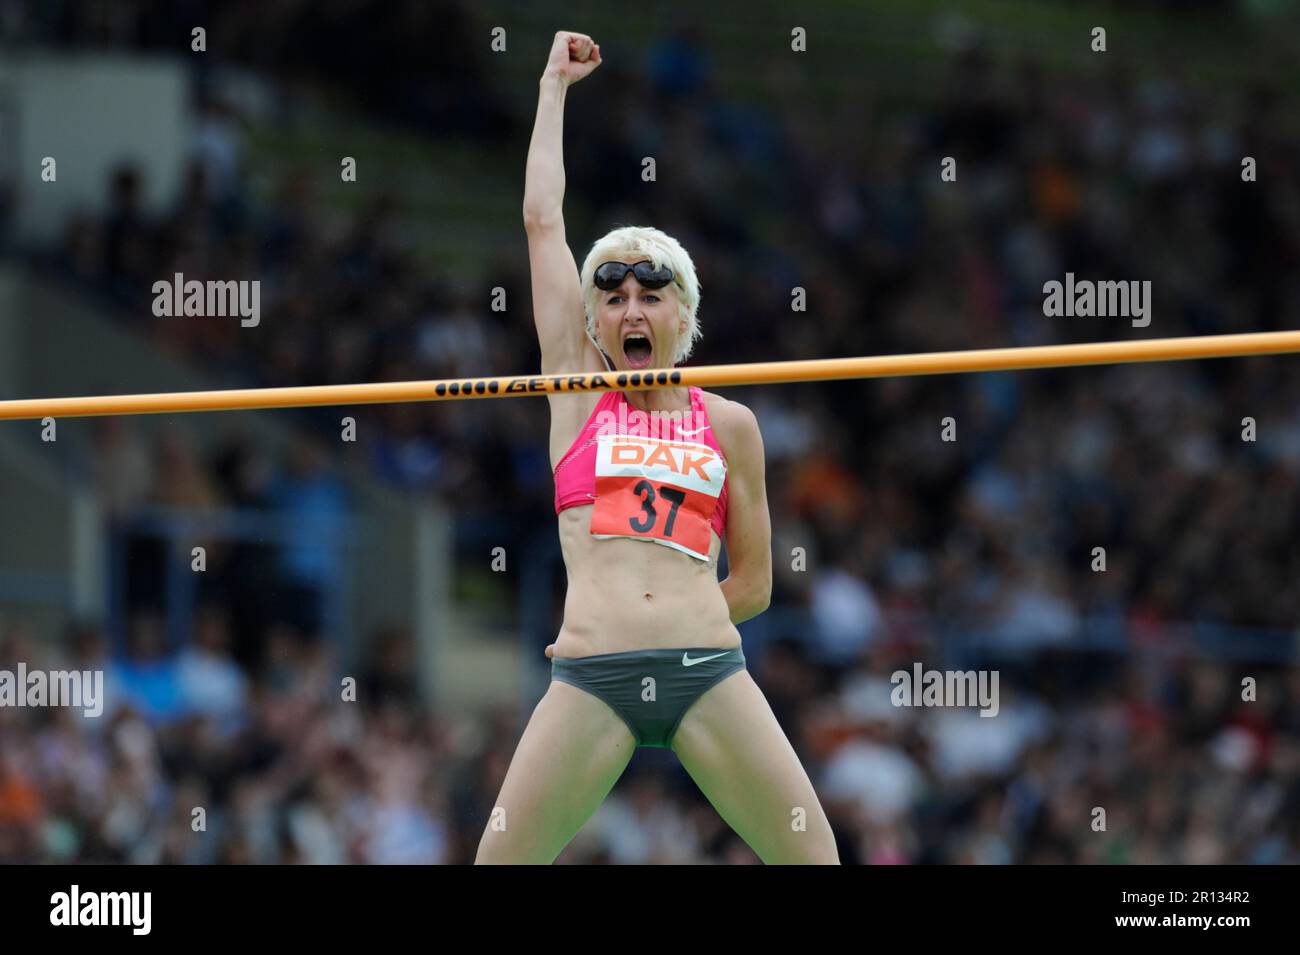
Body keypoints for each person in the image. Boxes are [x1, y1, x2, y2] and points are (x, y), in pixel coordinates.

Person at [475, 31, 839, 864]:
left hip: (707, 668)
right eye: (613, 298)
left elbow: (754, 581)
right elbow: (541, 221)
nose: (631, 308)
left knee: (814, 855)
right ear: (596, 324)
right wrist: (553, 86)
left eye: (651, 293)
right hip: (592, 674)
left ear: (685, 316)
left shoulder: (731, 425)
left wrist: (685, 611)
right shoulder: (575, 392)